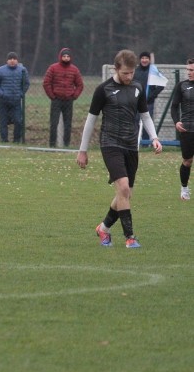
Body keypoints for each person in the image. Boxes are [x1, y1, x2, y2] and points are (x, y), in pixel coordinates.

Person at [76, 49, 162, 249]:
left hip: (131, 145)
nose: (129, 77)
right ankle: (130, 237)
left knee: (126, 194)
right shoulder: (103, 89)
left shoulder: (137, 87)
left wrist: (155, 137)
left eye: (131, 73)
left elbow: (145, 115)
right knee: (123, 188)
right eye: (125, 73)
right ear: (116, 69)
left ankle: (103, 228)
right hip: (110, 143)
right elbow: (90, 121)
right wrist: (82, 150)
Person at [43, 48, 84, 148]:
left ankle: (66, 145)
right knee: (54, 123)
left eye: (68, 56)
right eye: (64, 56)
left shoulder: (74, 70)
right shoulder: (53, 68)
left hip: (68, 100)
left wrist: (74, 96)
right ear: (60, 57)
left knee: (68, 125)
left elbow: (80, 85)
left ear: (70, 57)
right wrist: (52, 96)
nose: (66, 58)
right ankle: (52, 145)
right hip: (56, 100)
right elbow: (46, 83)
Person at [0, 52, 30, 143]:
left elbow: (26, 84)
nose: (12, 61)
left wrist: (21, 94)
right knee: (3, 122)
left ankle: (16, 140)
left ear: (17, 60)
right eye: (10, 59)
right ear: (7, 60)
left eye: (14, 59)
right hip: (3, 101)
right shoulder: (0, 70)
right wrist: (1, 94)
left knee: (18, 121)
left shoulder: (22, 70)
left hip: (16, 101)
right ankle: (4, 140)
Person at [169, 58, 194, 201]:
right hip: (187, 130)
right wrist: (176, 121)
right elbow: (174, 106)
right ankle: (184, 189)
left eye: (191, 70)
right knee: (187, 161)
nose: (189, 73)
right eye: (188, 70)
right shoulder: (182, 86)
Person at [133, 52, 165, 140]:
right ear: (140, 60)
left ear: (149, 60)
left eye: (146, 58)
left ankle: (146, 143)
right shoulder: (135, 71)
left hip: (148, 102)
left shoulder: (153, 71)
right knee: (135, 121)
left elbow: (162, 83)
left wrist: (152, 95)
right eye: (142, 58)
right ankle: (135, 141)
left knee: (147, 122)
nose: (144, 60)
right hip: (136, 101)